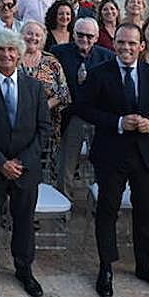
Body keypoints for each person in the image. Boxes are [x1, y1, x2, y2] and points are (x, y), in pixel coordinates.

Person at [77, 23, 149, 297]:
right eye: (121, 42)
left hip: (146, 154)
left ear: (141, 45)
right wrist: (118, 122)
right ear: (114, 44)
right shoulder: (99, 73)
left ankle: (146, 266)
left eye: (132, 43)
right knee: (107, 210)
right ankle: (106, 267)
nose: (126, 48)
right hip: (111, 153)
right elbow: (84, 108)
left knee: (145, 211)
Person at [0, 29, 51, 297]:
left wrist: (21, 162)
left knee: (24, 222)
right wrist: (1, 163)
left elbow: (44, 129)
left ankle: (24, 269)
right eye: (0, 49)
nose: (6, 54)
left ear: (19, 54)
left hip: (25, 170)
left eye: (11, 49)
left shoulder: (34, 87)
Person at [52, 17, 114, 198]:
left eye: (89, 36)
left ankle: (100, 201)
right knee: (66, 164)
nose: (84, 39)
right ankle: (64, 201)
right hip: (72, 116)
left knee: (102, 162)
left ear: (96, 37)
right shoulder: (58, 53)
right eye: (80, 35)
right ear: (73, 34)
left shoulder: (107, 57)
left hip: (98, 117)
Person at [19, 21, 70, 188]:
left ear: (43, 39)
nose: (33, 38)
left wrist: (42, 108)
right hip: (16, 123)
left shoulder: (51, 62)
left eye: (37, 35)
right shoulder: (11, 57)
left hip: (45, 124)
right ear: (21, 35)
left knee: (42, 170)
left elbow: (64, 93)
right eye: (29, 33)